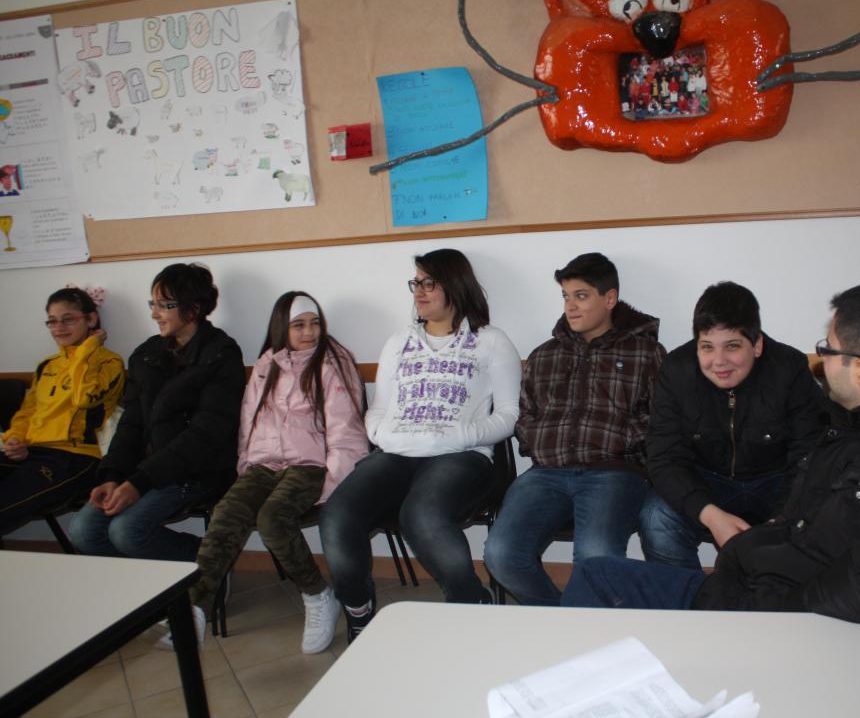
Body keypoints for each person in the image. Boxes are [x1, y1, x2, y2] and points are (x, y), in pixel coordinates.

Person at [563, 282, 860, 625]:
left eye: (828, 350)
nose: (822, 360)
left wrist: (758, 605)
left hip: (769, 607)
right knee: (595, 573)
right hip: (755, 578)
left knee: (595, 580)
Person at [320, 248, 521, 641]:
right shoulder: (399, 342)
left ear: (455, 285)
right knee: (338, 513)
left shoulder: (491, 341)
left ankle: (471, 599)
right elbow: (378, 411)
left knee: (421, 515)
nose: (419, 291)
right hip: (396, 454)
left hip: (460, 456)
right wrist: (383, 436)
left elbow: (510, 415)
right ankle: (357, 607)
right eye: (416, 282)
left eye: (429, 283)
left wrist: (461, 435)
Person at [160, 292, 369, 651]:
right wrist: (247, 465)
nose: (309, 332)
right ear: (281, 328)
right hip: (265, 463)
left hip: (312, 465)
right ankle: (196, 607)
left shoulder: (333, 363)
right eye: (298, 325)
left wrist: (333, 481)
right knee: (226, 514)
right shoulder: (266, 365)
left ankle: (317, 594)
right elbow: (249, 422)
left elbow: (345, 428)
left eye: (315, 323)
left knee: (272, 518)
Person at [484, 253, 665, 606]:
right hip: (547, 473)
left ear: (609, 299)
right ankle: (563, 619)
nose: (571, 306)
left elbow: (662, 420)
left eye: (581, 296)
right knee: (501, 553)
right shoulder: (545, 355)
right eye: (566, 296)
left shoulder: (647, 353)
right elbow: (526, 413)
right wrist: (539, 441)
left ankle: (583, 624)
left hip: (613, 472)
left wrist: (622, 441)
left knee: (596, 557)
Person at [639, 282, 825, 569]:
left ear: (757, 345)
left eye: (732, 346)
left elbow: (809, 457)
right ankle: (689, 596)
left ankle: (774, 594)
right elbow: (664, 457)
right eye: (707, 347)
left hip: (777, 483)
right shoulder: (676, 370)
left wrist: (780, 523)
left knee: (822, 511)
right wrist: (710, 515)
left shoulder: (789, 369)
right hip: (707, 481)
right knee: (656, 517)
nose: (719, 362)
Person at [69, 263, 245, 563]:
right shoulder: (147, 355)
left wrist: (139, 484)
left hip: (198, 471)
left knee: (127, 532)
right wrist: (113, 475)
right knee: (83, 531)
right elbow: (131, 423)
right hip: (146, 469)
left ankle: (209, 562)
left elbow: (205, 435)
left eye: (165, 305)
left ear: (194, 308)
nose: (155, 314)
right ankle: (150, 582)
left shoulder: (220, 354)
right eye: (153, 304)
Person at [1, 287, 124, 535]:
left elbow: (84, 398)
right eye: (52, 321)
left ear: (91, 319)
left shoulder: (109, 363)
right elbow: (28, 411)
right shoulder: (47, 365)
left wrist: (86, 350)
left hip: (75, 458)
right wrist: (14, 439)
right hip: (32, 451)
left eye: (68, 319)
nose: (59, 327)